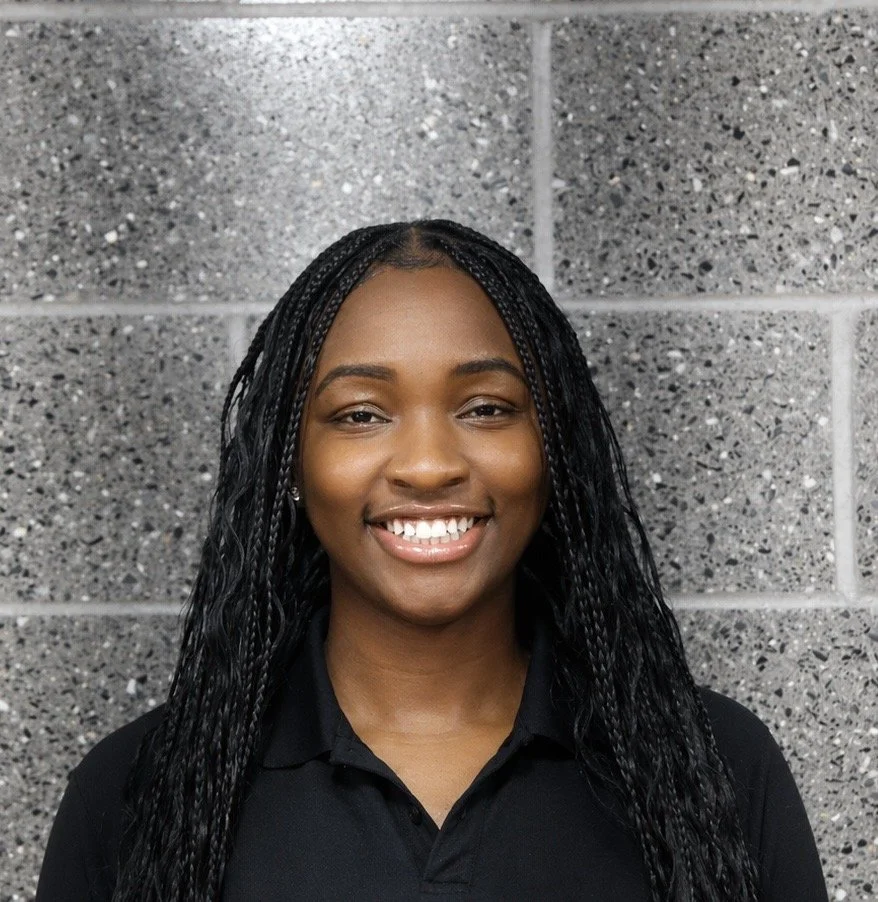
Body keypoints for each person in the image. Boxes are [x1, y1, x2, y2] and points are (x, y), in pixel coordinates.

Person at [36, 220, 828, 902]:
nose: (426, 464)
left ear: (553, 448)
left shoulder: (709, 766)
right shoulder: (144, 788)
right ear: (291, 463)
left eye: (486, 408)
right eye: (360, 414)